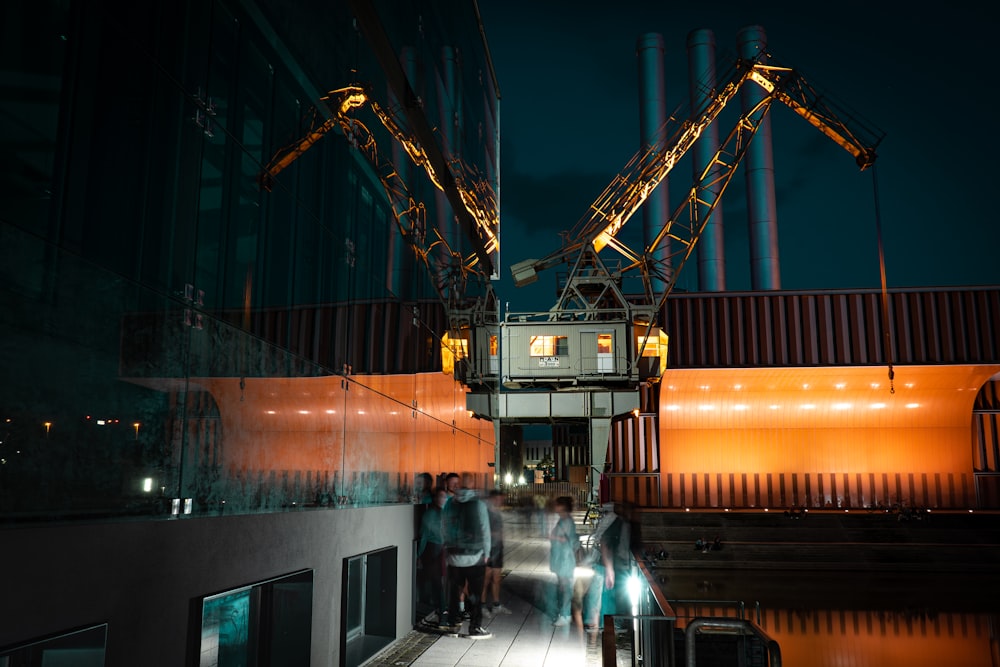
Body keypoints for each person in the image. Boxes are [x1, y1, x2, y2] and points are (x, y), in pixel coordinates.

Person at [441, 473, 492, 639]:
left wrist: (447, 547)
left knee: (454, 592)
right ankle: (475, 628)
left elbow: (444, 526)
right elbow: (485, 529)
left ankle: (452, 624)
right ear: (471, 484)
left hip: (454, 555)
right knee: (476, 593)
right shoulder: (478, 504)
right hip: (475, 556)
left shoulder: (449, 503)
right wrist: (487, 552)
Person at [581, 502, 632, 632]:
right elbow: (605, 543)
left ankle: (599, 623)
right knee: (604, 595)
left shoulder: (613, 519)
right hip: (606, 564)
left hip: (604, 564)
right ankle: (602, 623)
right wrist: (610, 569)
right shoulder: (617, 521)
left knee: (601, 594)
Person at [416, 487, 448, 625]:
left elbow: (424, 535)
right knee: (436, 582)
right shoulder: (431, 514)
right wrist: (419, 554)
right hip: (433, 550)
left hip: (438, 549)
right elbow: (424, 536)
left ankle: (442, 614)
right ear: (435, 498)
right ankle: (442, 614)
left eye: (445, 497)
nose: (443, 499)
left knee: (436, 583)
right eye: (441, 496)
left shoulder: (438, 513)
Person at [548, 495, 578, 627]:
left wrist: (554, 537)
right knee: (563, 587)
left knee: (565, 587)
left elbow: (566, 540)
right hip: (562, 559)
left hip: (565, 559)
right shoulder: (563, 520)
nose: (555, 507)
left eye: (557, 504)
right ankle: (564, 614)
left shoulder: (566, 522)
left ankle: (565, 615)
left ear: (562, 506)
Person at [482, 489, 512, 616]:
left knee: (497, 578)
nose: (500, 502)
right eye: (498, 499)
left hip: (498, 549)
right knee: (486, 579)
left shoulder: (497, 514)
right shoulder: (487, 514)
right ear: (493, 499)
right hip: (488, 550)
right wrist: (496, 534)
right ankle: (482, 605)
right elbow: (483, 531)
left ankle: (496, 604)